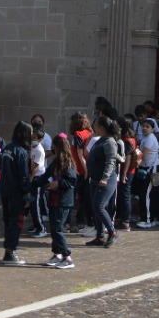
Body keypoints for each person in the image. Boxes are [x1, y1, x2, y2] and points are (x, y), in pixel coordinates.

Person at [0, 121, 32, 265]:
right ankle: (10, 251)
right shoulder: (21, 152)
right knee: (16, 221)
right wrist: (27, 195)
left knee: (8, 221)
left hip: (5, 190)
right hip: (16, 192)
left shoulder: (7, 149)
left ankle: (8, 249)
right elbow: (23, 176)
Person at [43, 134, 78, 269]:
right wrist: (32, 184)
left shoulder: (68, 162)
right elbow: (46, 176)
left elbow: (72, 180)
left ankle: (67, 257)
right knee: (54, 228)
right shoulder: (56, 161)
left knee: (57, 228)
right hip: (54, 199)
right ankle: (57, 254)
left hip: (63, 201)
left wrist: (58, 183)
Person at [85, 115, 120, 247]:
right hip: (95, 179)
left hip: (106, 180)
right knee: (95, 207)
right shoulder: (100, 139)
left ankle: (112, 232)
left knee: (99, 206)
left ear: (101, 127)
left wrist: (105, 178)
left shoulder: (109, 141)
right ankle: (100, 236)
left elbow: (111, 161)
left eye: (95, 125)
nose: (93, 127)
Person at [134, 117, 159, 228]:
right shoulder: (146, 138)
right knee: (151, 193)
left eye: (148, 127)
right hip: (145, 168)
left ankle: (148, 219)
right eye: (143, 126)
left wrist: (135, 150)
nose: (145, 129)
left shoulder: (150, 139)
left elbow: (142, 154)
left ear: (153, 129)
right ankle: (154, 216)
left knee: (146, 194)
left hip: (151, 169)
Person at [28, 123, 49, 238]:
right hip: (33, 176)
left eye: (35, 138)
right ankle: (36, 225)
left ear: (40, 139)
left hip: (37, 178)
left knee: (36, 203)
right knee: (32, 203)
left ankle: (41, 228)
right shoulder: (32, 147)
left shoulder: (40, 150)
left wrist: (31, 179)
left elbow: (35, 167)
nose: (33, 139)